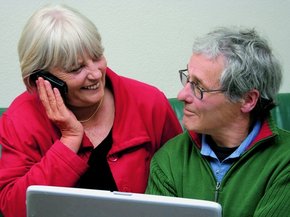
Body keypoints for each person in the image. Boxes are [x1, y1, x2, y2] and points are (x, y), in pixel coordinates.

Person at [0, 5, 182, 217]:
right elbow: (14, 209)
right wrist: (69, 140)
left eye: (97, 56)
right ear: (41, 79)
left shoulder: (149, 102)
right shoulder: (21, 118)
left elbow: (182, 182)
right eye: (76, 69)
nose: (95, 74)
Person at [146, 27, 290, 217]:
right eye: (187, 79)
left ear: (247, 100)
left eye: (198, 86)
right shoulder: (170, 159)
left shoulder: (285, 162)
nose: (182, 95)